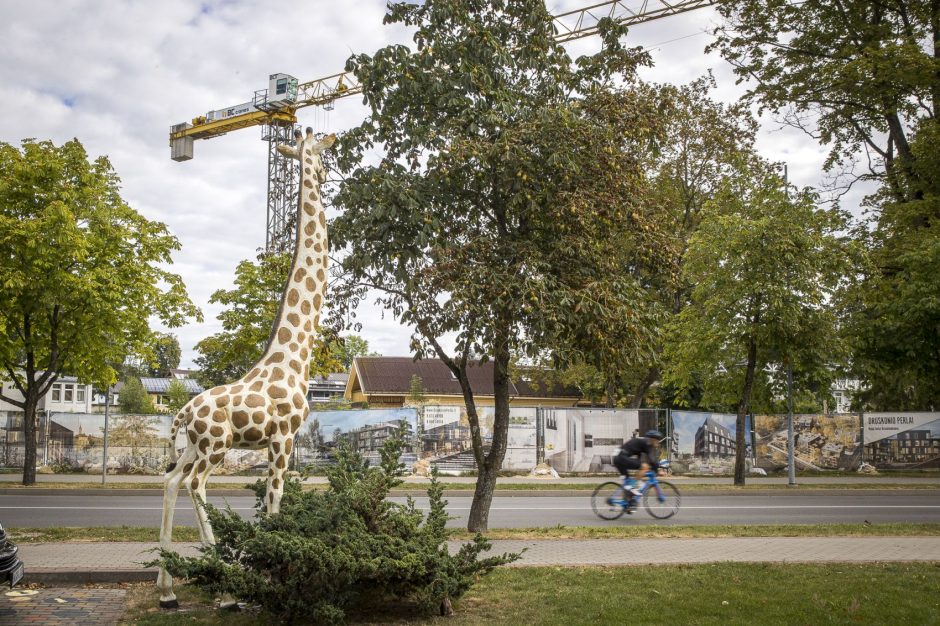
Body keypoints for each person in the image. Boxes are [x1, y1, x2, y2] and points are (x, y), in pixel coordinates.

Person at [613, 430, 664, 504]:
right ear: (653, 439)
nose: (658, 442)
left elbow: (642, 460)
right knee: (645, 466)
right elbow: (652, 461)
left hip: (618, 458)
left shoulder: (642, 443)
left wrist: (653, 468)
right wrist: (658, 470)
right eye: (657, 440)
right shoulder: (648, 443)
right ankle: (632, 487)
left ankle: (627, 503)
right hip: (621, 458)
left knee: (628, 481)